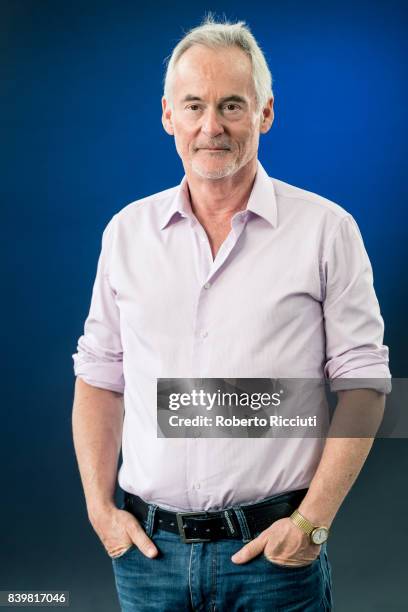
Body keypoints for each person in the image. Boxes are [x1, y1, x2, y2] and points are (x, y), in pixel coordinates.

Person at [71, 16, 390, 612]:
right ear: (168, 115)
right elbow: (98, 377)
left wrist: (313, 526)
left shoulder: (326, 231)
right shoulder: (126, 234)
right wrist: (99, 510)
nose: (210, 126)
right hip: (147, 560)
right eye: (193, 106)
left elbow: (366, 387)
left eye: (232, 106)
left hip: (273, 560)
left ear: (266, 113)